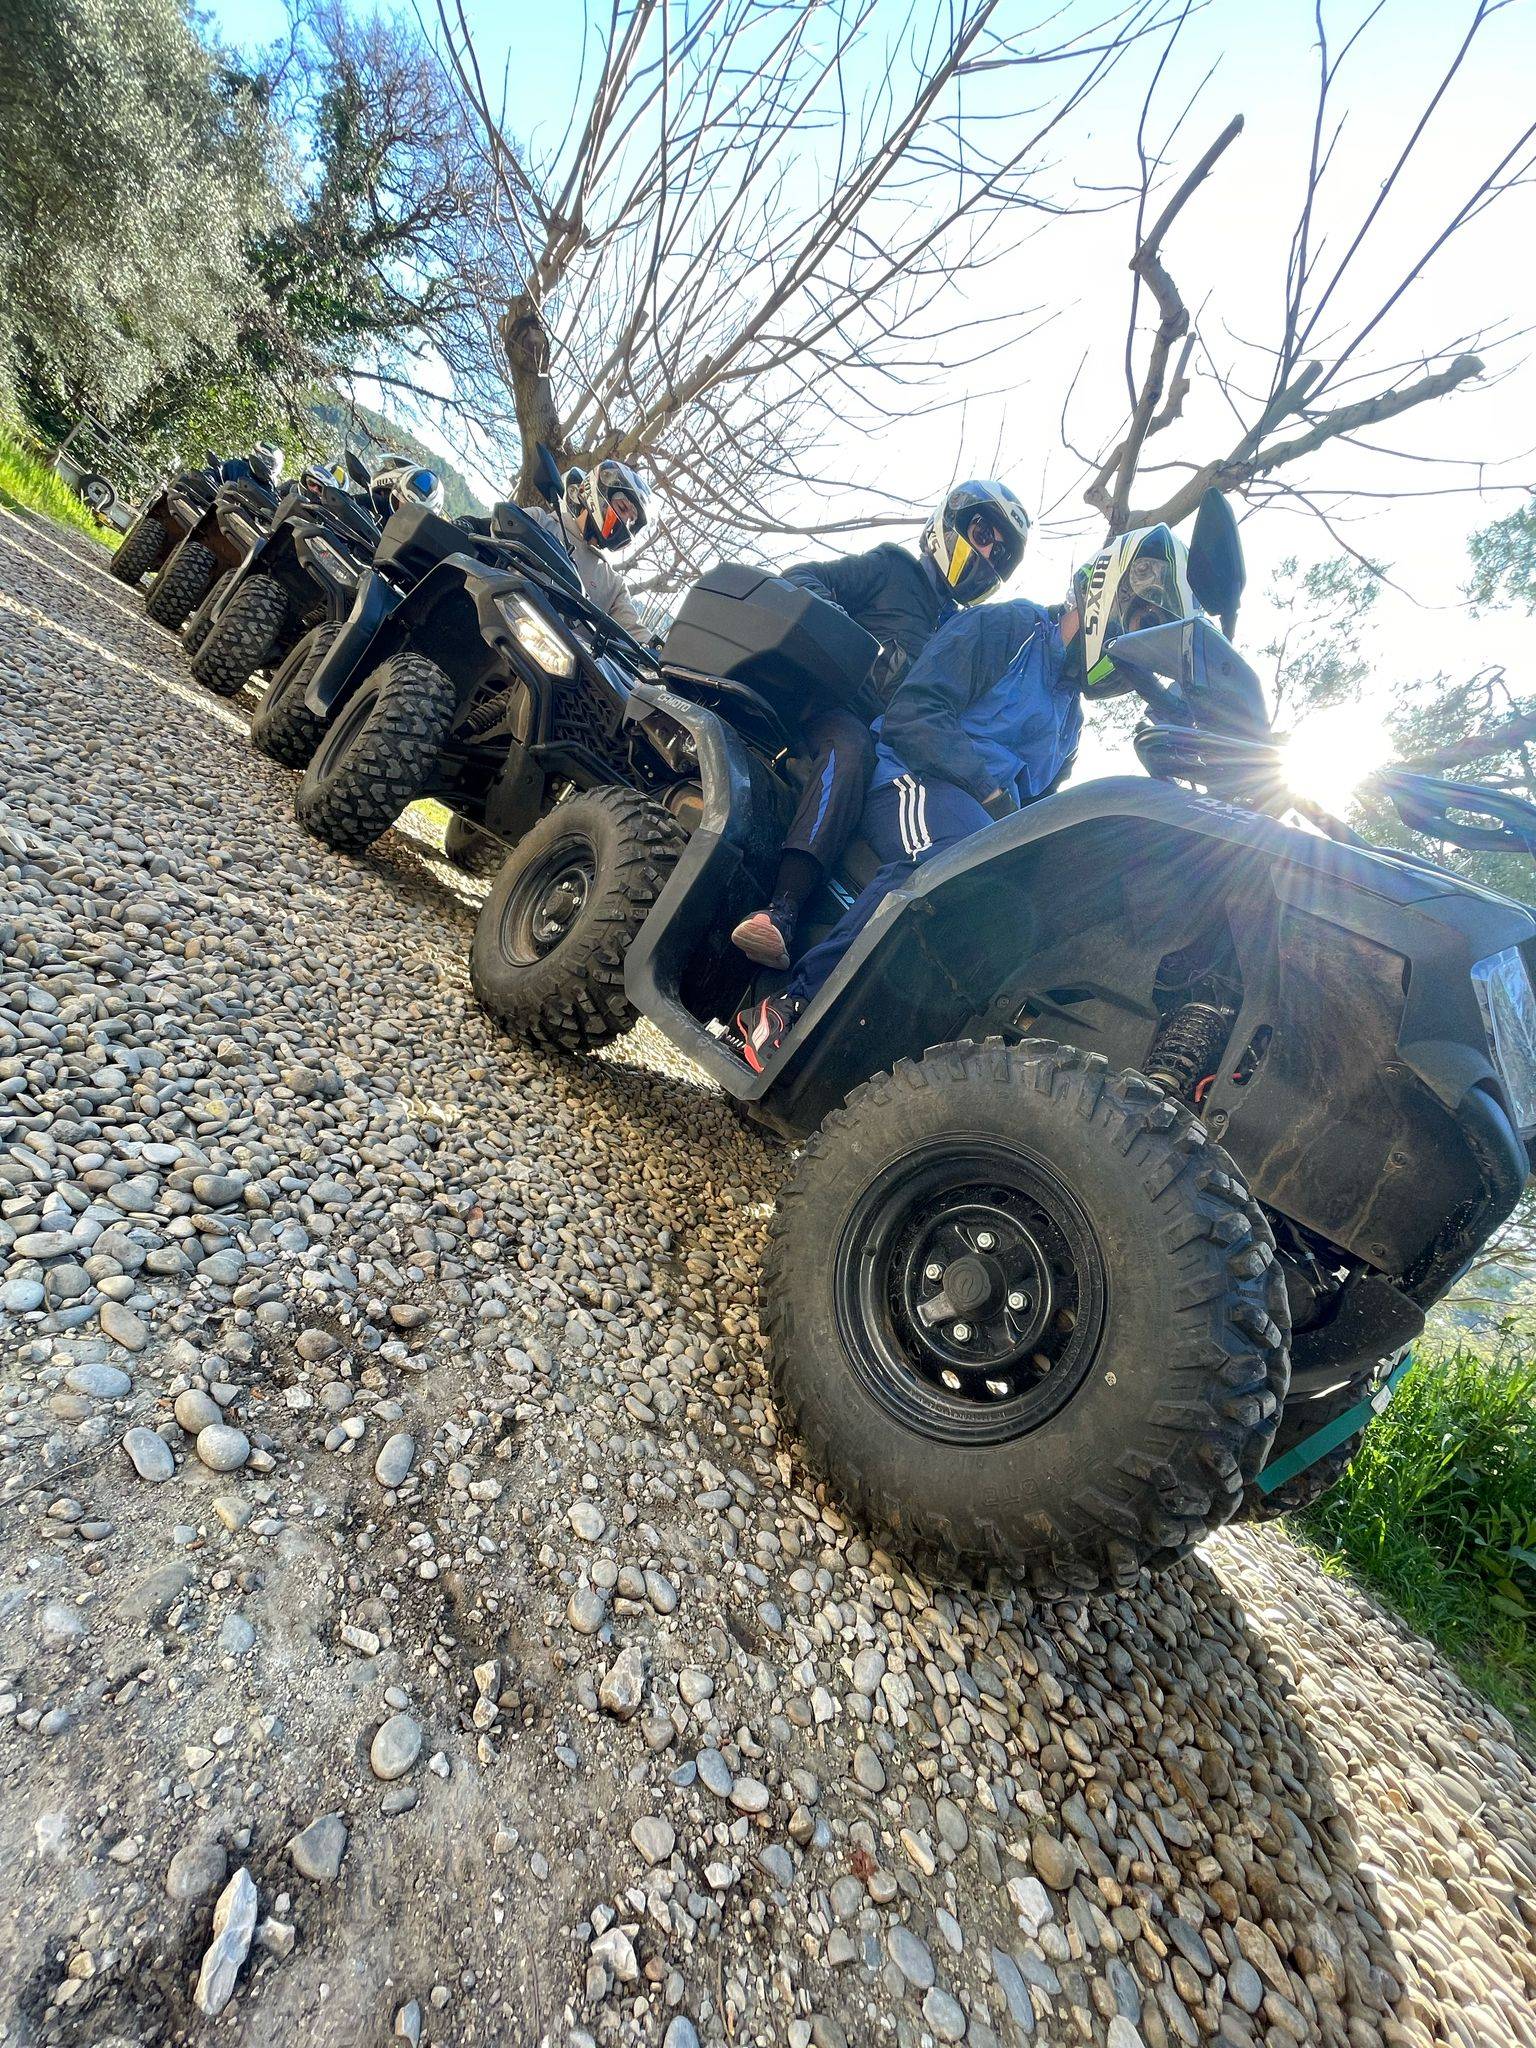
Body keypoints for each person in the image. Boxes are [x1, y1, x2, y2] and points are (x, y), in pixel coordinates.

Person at [735, 520, 1197, 1071]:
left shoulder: (1071, 719)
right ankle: (790, 1003)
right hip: (909, 779)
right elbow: (914, 713)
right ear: (1110, 594)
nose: (1139, 650)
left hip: (978, 818)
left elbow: (1041, 805)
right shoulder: (1009, 627)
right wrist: (988, 788)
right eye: (1143, 623)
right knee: (954, 858)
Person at [728, 480, 1032, 970]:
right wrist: (861, 647)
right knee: (850, 748)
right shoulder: (893, 569)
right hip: (822, 711)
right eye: (983, 534)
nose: (987, 554)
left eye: (999, 553)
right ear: (951, 523)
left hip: (888, 749)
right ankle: (782, 909)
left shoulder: (960, 628)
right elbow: (802, 577)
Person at [523, 457, 650, 635]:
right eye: (622, 508)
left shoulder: (612, 584)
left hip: (558, 658)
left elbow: (635, 632)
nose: (625, 522)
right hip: (508, 623)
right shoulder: (540, 521)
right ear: (600, 492)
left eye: (631, 521)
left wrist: (662, 659)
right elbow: (496, 530)